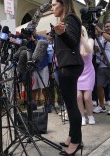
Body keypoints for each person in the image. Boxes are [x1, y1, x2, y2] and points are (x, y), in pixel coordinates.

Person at [51, 0, 84, 155]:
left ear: (63, 4)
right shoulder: (66, 20)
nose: (52, 8)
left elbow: (72, 42)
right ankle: (72, 137)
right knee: (70, 104)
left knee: (71, 106)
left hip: (69, 67)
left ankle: (76, 142)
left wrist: (61, 33)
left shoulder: (70, 18)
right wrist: (56, 35)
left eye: (54, 4)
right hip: (68, 66)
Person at [77, 26, 96, 126]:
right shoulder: (74, 44)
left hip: (88, 72)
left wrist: (81, 38)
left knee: (87, 97)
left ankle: (90, 115)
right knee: (78, 96)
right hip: (78, 73)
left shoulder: (90, 40)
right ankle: (82, 117)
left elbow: (89, 50)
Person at [94, 21, 110, 114]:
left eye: (109, 26)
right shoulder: (101, 38)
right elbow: (97, 49)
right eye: (106, 26)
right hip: (102, 65)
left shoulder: (105, 36)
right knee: (99, 86)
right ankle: (102, 106)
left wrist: (101, 32)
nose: (107, 28)